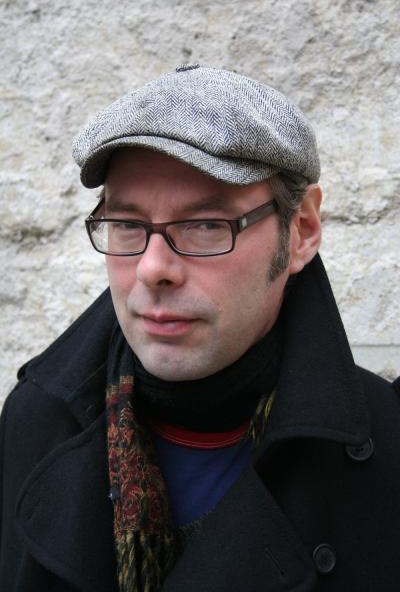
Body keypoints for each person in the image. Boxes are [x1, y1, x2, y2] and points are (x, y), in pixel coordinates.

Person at [1, 65, 399, 592]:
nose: (152, 269)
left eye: (206, 225)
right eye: (127, 225)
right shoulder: (35, 423)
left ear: (301, 230)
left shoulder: (388, 448)